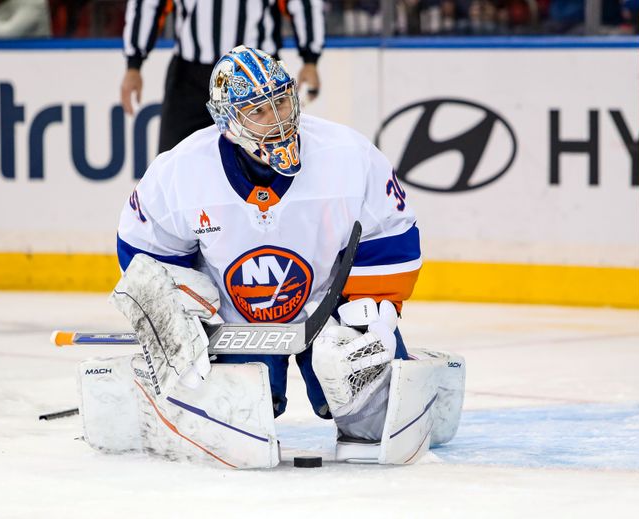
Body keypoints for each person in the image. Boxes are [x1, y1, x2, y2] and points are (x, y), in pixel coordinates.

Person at [77, 46, 465, 468]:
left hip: (327, 307)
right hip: (233, 321)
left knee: (371, 413)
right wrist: (176, 313)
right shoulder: (181, 170)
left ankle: (400, 382)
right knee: (234, 421)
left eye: (281, 100)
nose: (279, 120)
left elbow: (392, 230)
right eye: (258, 111)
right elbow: (143, 251)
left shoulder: (347, 154)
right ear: (226, 121)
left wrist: (372, 307)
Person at [120, 0, 324, 154]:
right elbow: (147, 4)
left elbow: (304, 4)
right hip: (190, 77)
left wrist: (310, 59)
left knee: (268, 158)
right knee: (175, 162)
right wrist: (133, 64)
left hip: (258, 77)